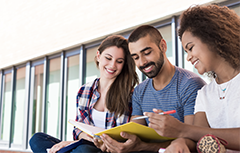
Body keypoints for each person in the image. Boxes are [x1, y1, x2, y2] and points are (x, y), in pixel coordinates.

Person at [143, 4, 240, 153]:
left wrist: (182, 130)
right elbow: (199, 137)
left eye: (191, 47)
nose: (188, 57)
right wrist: (178, 143)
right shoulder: (205, 94)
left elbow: (194, 132)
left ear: (213, 38)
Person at [99, 25, 206, 152]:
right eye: (136, 57)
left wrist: (143, 146)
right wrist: (113, 143)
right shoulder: (139, 91)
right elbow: (134, 137)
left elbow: (192, 141)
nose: (142, 62)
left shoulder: (190, 85)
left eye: (147, 53)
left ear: (163, 46)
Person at [29, 35, 139, 153]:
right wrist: (77, 141)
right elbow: (78, 129)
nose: (112, 65)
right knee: (37, 139)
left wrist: (82, 143)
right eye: (108, 58)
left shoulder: (130, 95)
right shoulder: (85, 91)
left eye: (119, 61)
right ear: (98, 56)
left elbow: (125, 136)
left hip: (108, 150)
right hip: (86, 144)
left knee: (83, 150)